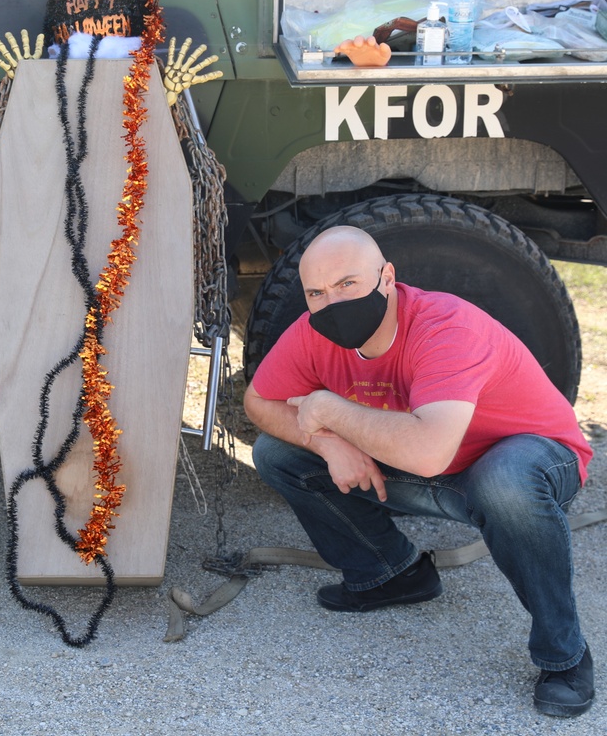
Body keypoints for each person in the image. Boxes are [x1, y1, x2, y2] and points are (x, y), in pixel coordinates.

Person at [243, 225, 595, 718]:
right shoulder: (311, 331)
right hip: (434, 466)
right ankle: (391, 575)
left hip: (529, 458)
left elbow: (428, 452)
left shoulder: (444, 325)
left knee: (504, 485)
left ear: (387, 277)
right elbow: (258, 400)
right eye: (317, 293)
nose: (331, 303)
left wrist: (330, 411)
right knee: (278, 454)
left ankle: (565, 655)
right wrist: (323, 442)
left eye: (348, 284)